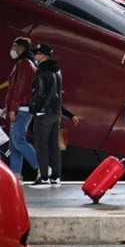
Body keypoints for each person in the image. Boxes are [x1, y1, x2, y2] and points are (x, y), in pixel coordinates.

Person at [29, 44, 80, 187]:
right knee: (54, 146)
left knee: (41, 146)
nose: (34, 56)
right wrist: (68, 115)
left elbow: (39, 94)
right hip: (56, 114)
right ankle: (56, 177)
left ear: (42, 56)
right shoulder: (58, 72)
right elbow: (57, 96)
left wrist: (33, 110)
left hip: (43, 113)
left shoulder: (41, 71)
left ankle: (44, 176)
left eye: (36, 54)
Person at [5, 37, 39, 184]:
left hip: (22, 108)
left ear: (20, 47)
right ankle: (16, 176)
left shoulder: (24, 64)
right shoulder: (23, 63)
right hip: (21, 107)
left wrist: (13, 109)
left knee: (18, 140)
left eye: (14, 45)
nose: (12, 48)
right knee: (14, 144)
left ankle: (42, 167)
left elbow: (20, 88)